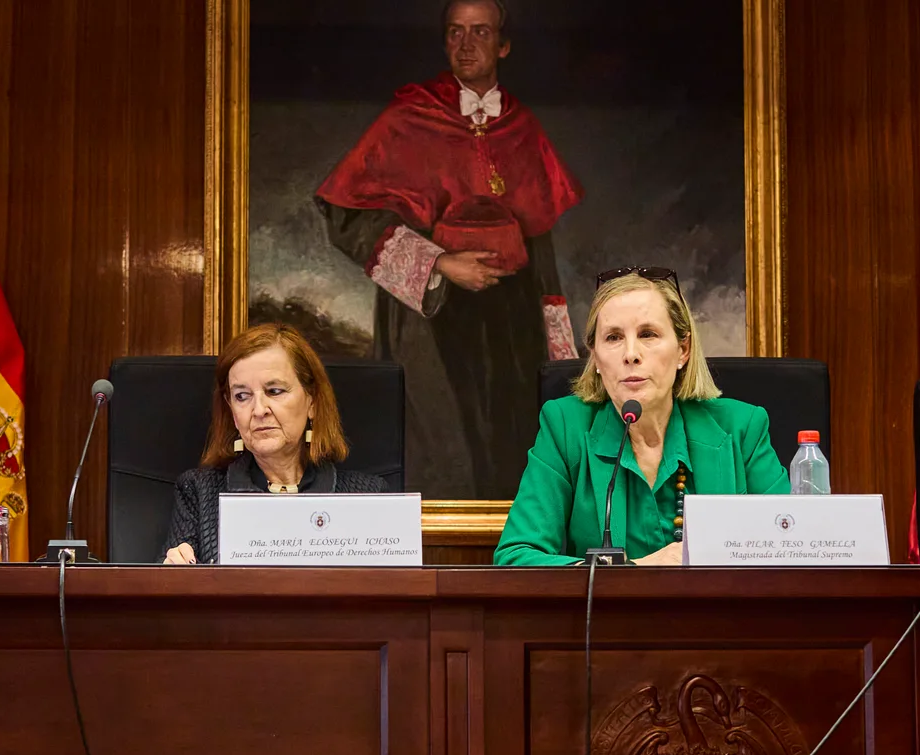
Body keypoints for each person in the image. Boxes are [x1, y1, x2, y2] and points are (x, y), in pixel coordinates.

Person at [314, 0, 583, 500]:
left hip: (511, 319)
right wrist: (439, 263)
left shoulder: (522, 128)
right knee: (440, 451)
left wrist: (560, 349)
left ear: (503, 44)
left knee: (512, 444)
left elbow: (539, 238)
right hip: (429, 313)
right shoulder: (409, 118)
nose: (466, 45)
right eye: (455, 32)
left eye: (480, 33)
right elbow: (346, 213)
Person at [494, 269, 788, 566]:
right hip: (605, 614)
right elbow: (515, 558)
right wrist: (635, 571)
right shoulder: (565, 427)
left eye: (648, 334)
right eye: (613, 337)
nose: (631, 354)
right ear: (595, 357)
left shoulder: (742, 428)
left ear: (682, 351)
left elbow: (792, 550)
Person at [162, 324, 390, 564]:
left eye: (274, 391)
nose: (259, 410)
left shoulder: (368, 497)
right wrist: (171, 573)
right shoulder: (199, 493)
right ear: (231, 411)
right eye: (242, 396)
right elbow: (160, 592)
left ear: (311, 401)